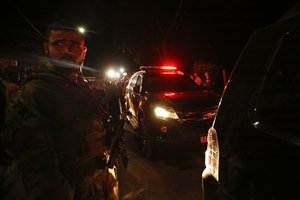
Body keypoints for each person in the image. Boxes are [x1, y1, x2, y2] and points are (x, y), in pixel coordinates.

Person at [0, 20, 119, 200]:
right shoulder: (36, 92)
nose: (67, 50)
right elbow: (36, 171)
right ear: (46, 48)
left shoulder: (78, 86)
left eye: (74, 45)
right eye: (59, 43)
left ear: (83, 52)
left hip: (88, 183)